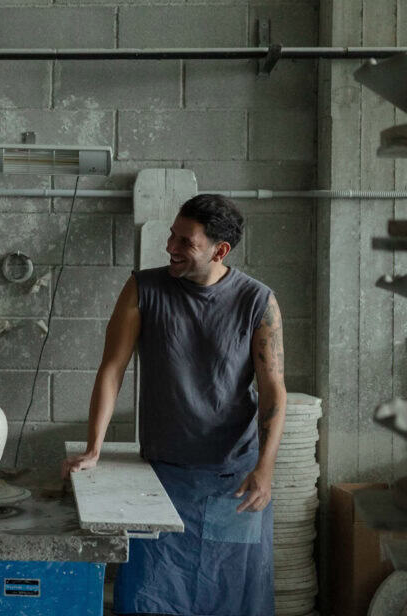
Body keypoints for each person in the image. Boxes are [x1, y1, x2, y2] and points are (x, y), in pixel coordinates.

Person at [63, 194, 286, 616]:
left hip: (232, 476)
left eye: (186, 242)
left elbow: (273, 388)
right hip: (162, 473)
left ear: (220, 251)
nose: (171, 247)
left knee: (231, 592)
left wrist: (266, 468)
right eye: (172, 235)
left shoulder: (258, 301)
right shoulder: (144, 288)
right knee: (152, 592)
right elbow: (112, 368)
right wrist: (94, 448)